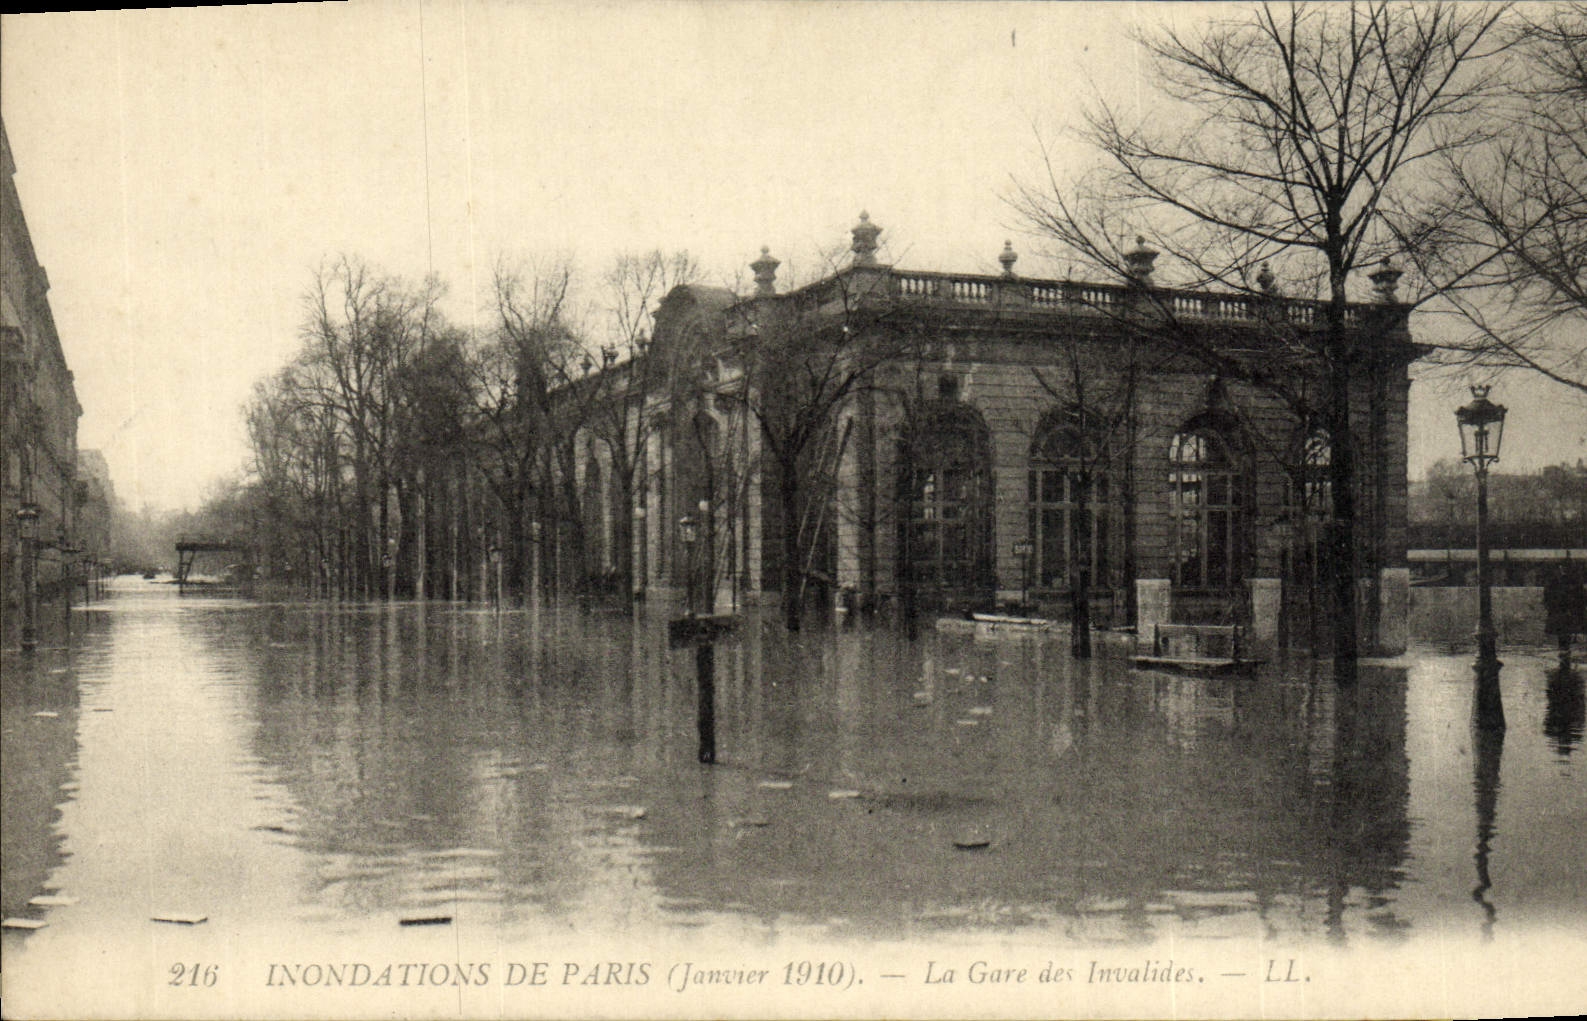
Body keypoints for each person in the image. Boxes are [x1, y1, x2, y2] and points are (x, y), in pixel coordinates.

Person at [1543, 562, 1587, 660]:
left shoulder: (1572, 581)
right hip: (1561, 610)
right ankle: (1564, 649)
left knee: (1565, 630)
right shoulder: (1556, 581)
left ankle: (1565, 650)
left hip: (1567, 610)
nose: (1562, 570)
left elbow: (1581, 595)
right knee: (1564, 630)